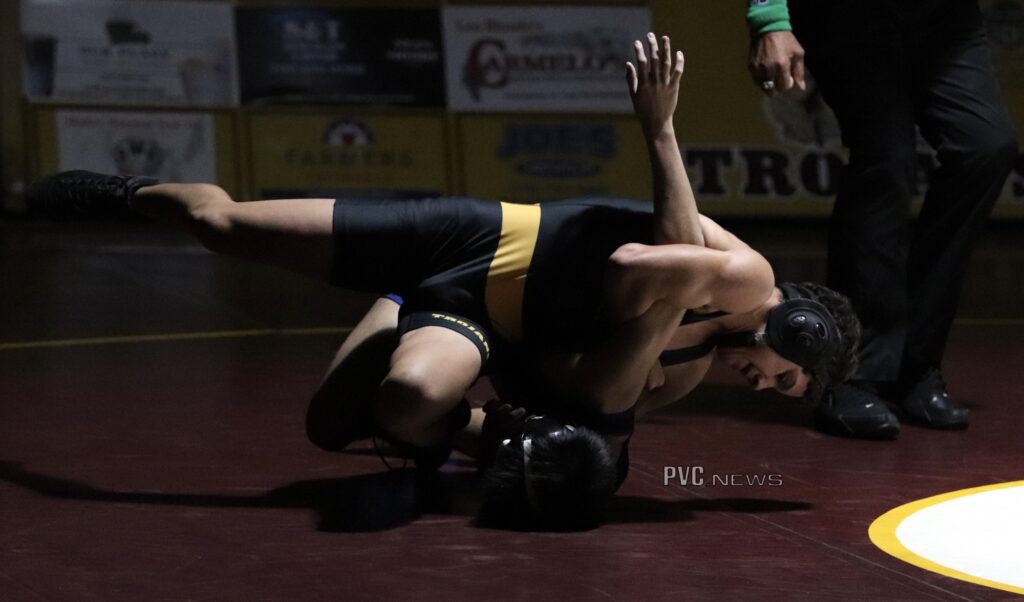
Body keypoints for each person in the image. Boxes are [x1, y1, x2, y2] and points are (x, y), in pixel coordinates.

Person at [26, 34, 860, 527]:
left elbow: (576, 378)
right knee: (224, 227)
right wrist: (661, 132)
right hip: (480, 235)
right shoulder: (749, 281)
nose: (765, 386)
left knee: (381, 411)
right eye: (786, 377)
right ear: (799, 330)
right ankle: (131, 193)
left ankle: (417, 345)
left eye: (780, 393)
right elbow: (635, 266)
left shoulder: (683, 379)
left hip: (482, 321)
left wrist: (573, 414)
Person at [746, 0, 1019, 438]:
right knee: (885, 158)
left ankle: (916, 363)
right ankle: (852, 371)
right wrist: (769, 16)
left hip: (945, 16)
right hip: (848, 16)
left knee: (985, 147)